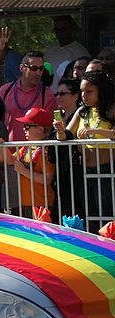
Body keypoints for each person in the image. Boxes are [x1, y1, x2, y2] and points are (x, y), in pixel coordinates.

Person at [56, 70, 115, 226]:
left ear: (101, 90)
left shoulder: (111, 109)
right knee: (90, 214)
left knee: (107, 214)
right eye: (82, 91)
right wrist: (60, 131)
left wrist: (96, 131)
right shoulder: (82, 112)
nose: (84, 95)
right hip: (84, 170)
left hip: (107, 170)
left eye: (89, 91)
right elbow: (66, 136)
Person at [4, 108, 56, 217]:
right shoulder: (27, 147)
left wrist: (23, 171)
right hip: (25, 203)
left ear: (41, 129)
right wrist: (1, 145)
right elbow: (11, 160)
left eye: (27, 126)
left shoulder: (45, 150)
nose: (24, 129)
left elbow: (47, 179)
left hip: (41, 205)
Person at [0, 50, 56, 142]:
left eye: (41, 69)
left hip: (35, 153)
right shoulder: (5, 90)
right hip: (8, 152)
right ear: (22, 68)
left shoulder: (47, 94)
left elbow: (48, 128)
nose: (38, 73)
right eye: (33, 68)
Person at [44, 15, 90, 91]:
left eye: (63, 29)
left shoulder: (80, 51)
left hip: (69, 96)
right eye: (57, 30)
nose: (60, 33)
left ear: (71, 29)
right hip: (49, 96)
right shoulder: (50, 49)